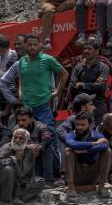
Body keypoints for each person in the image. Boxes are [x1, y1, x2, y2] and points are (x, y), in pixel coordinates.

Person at [4, 35, 67, 172]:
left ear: (40, 45)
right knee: (25, 140)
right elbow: (22, 79)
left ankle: (56, 173)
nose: (32, 47)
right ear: (25, 46)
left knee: (49, 138)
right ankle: (31, 172)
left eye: (35, 44)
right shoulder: (22, 62)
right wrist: (20, 92)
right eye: (29, 45)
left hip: (43, 106)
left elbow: (64, 74)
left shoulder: (48, 59)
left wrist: (57, 91)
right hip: (26, 108)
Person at [64, 111, 111, 198]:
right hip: (77, 174)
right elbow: (72, 144)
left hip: (93, 172)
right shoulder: (71, 134)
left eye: (82, 125)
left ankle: (102, 185)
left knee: (107, 151)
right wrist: (93, 144)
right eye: (77, 124)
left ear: (90, 125)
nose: (79, 127)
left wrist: (84, 150)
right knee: (68, 152)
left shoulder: (96, 134)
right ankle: (70, 186)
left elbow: (105, 145)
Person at [11, 107, 57, 184]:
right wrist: (28, 147)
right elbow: (12, 144)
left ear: (31, 119)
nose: (21, 123)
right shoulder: (16, 130)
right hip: (27, 159)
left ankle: (48, 181)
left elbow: (47, 137)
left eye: (24, 120)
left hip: (41, 157)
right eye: (18, 120)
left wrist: (39, 149)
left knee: (48, 147)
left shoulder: (39, 126)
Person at [68, 39, 110, 122]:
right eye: (84, 49)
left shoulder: (103, 67)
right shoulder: (78, 67)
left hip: (98, 107)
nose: (85, 51)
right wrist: (69, 102)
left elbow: (99, 86)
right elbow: (73, 85)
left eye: (89, 49)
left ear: (96, 51)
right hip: (81, 108)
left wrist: (82, 85)